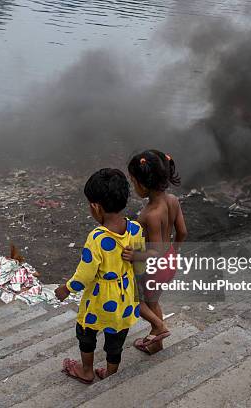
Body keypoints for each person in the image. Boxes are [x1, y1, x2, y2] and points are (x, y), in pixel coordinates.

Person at [55, 168, 144, 383]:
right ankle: (110, 374)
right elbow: (140, 264)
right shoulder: (135, 228)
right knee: (116, 338)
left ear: (96, 207)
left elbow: (85, 274)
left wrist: (66, 288)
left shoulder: (96, 238)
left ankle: (86, 371)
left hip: (99, 299)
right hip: (125, 298)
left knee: (86, 333)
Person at [123, 150, 187, 354]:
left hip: (154, 266)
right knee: (153, 301)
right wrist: (174, 253)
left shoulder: (150, 214)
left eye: (133, 182)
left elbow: (155, 252)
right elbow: (183, 232)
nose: (134, 187)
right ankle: (157, 344)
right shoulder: (173, 200)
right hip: (170, 261)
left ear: (143, 184)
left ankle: (159, 328)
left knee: (133, 300)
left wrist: (135, 256)